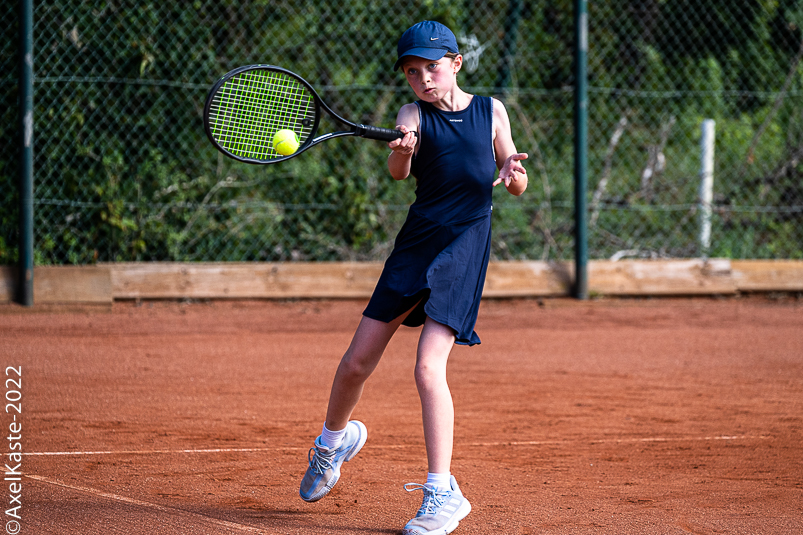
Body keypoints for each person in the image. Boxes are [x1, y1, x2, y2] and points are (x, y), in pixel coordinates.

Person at [299, 20, 528, 535]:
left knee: (428, 369)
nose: (423, 78)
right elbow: (400, 172)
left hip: (465, 246)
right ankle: (331, 445)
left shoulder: (491, 111)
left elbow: (514, 180)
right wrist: (402, 153)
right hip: (416, 243)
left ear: (456, 63)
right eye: (412, 71)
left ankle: (442, 491)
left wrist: (514, 172)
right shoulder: (412, 114)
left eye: (432, 66)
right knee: (356, 362)